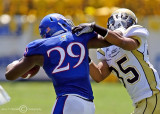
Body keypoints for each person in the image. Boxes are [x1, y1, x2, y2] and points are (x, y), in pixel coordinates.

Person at [5, 13, 113, 114]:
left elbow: (10, 75)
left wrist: (18, 62)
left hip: (68, 100)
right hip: (88, 104)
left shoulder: (41, 48)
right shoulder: (79, 37)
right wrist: (97, 28)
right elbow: (110, 40)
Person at [72, 8, 160, 114]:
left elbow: (124, 43)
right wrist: (83, 53)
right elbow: (98, 75)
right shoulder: (105, 48)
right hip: (143, 100)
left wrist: (95, 27)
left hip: (152, 95)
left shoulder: (134, 31)